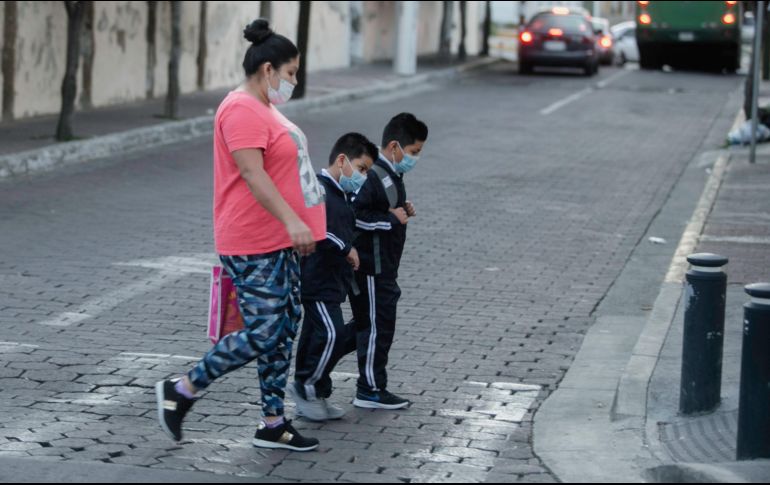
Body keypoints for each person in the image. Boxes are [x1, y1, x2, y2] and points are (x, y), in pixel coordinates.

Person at [155, 19, 326, 452]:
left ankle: (273, 423)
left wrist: (297, 225)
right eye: (290, 73)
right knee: (265, 332)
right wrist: (293, 221)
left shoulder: (263, 107)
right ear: (268, 70)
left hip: (279, 240)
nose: (293, 82)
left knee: (283, 330)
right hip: (253, 241)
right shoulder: (241, 109)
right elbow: (251, 173)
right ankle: (182, 389)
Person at [290, 133, 378, 421]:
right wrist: (346, 248)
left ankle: (316, 391)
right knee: (332, 334)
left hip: (332, 282)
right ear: (342, 160)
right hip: (317, 281)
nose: (363, 176)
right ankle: (306, 387)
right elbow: (318, 230)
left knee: (316, 336)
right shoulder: (319, 190)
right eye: (361, 168)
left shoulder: (342, 194)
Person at [349, 113, 428, 410]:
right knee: (374, 327)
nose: (415, 159)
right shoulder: (372, 174)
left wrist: (402, 208)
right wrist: (390, 219)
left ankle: (370, 383)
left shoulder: (391, 174)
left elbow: (385, 208)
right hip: (372, 267)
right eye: (413, 152)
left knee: (380, 325)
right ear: (394, 146)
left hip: (385, 268)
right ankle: (369, 389)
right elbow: (355, 216)